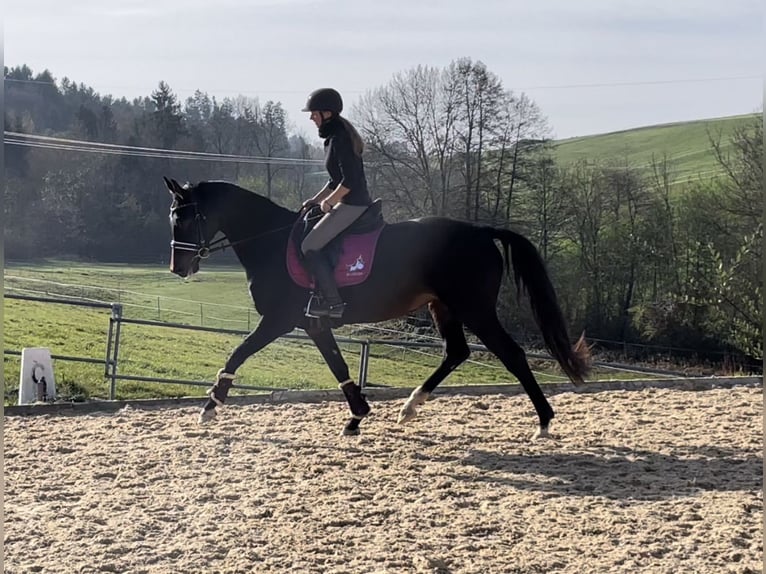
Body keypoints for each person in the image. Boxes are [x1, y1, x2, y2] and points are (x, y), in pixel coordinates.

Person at [300, 88, 373, 319]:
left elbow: (349, 181)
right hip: (347, 200)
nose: (311, 117)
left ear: (327, 113)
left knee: (309, 246)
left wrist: (329, 203)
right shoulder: (333, 138)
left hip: (353, 204)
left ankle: (333, 304)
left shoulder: (340, 138)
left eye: (314, 113)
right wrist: (316, 200)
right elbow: (334, 180)